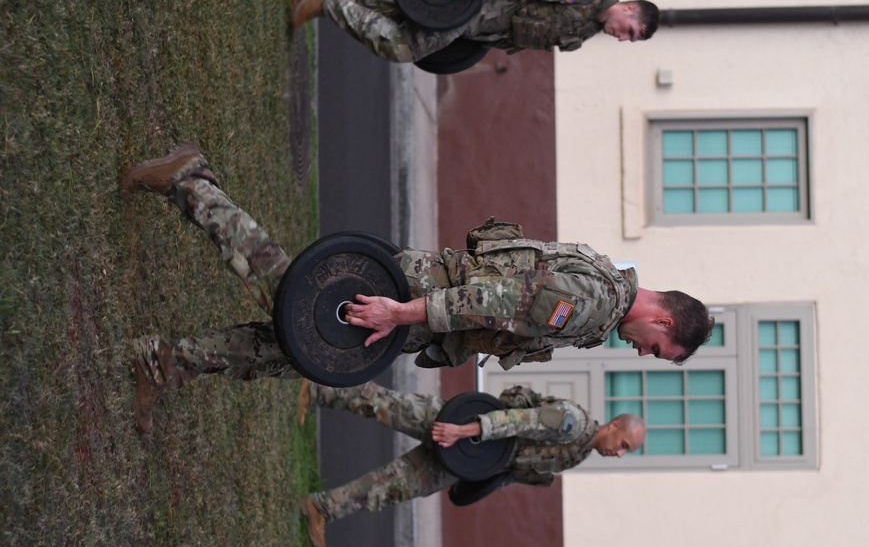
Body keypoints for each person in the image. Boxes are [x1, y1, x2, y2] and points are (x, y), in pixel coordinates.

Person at [119, 143, 712, 432]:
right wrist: (399, 314)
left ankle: (167, 363)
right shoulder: (593, 306)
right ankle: (190, 183)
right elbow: (497, 301)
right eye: (656, 350)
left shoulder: (605, 284)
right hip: (417, 302)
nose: (642, 354)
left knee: (291, 347)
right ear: (662, 322)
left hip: (421, 306)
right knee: (285, 294)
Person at [297, 379, 645, 547]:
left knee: (392, 488)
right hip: (463, 426)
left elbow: (514, 470)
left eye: (626, 452)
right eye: (624, 445)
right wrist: (462, 431)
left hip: (470, 459)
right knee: (384, 405)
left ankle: (322, 507)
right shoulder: (575, 423)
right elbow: (520, 419)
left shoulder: (577, 454)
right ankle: (315, 390)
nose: (620, 453)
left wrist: (471, 478)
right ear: (614, 426)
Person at [290, 0, 660, 63]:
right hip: (470, 4)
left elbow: (517, 31)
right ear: (628, 9)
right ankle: (327, 0)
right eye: (630, 30)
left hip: (472, 28)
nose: (623, 38)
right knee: (400, 47)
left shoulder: (583, 33)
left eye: (631, 39)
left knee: (396, 10)